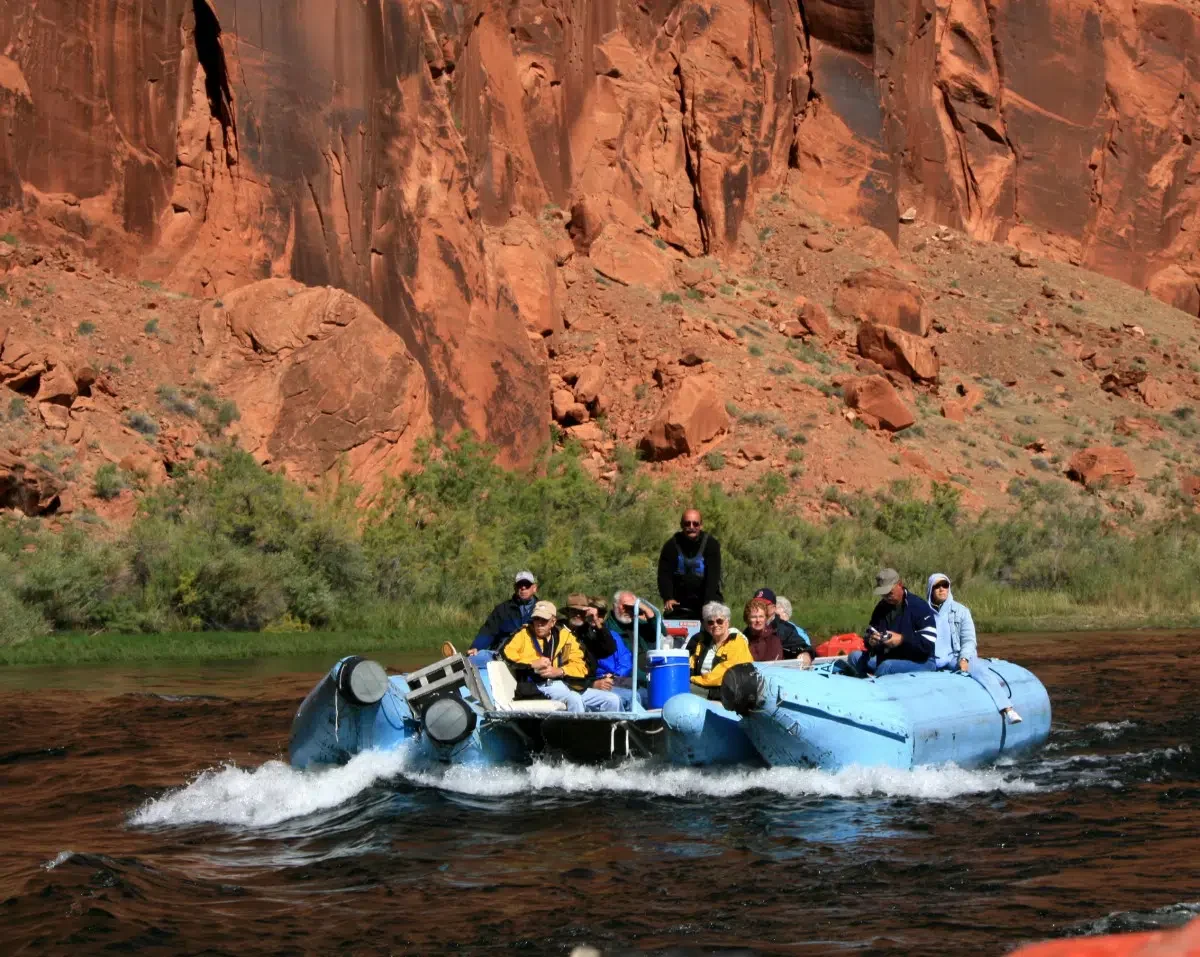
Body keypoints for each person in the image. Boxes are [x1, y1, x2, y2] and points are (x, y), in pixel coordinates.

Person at [926, 573, 1022, 724]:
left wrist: (964, 659)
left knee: (981, 670)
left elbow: (969, 640)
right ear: (930, 590)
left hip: (956, 656)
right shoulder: (923, 612)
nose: (941, 589)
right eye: (937, 586)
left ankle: (1008, 709)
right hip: (933, 658)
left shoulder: (961, 611)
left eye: (944, 585)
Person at [501, 601, 621, 713]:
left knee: (612, 699)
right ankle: (578, 734)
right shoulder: (523, 634)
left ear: (553, 621)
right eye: (536, 619)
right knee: (574, 699)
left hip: (566, 683)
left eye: (544, 619)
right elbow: (506, 654)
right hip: (536, 686)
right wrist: (532, 663)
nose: (539, 623)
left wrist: (560, 671)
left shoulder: (565, 635)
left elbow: (581, 664)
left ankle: (609, 734)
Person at [843, 568, 938, 677]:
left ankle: (872, 687)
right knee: (854, 657)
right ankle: (863, 681)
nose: (886, 597)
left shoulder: (919, 606)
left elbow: (928, 644)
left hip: (922, 661)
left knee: (887, 666)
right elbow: (870, 632)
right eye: (883, 594)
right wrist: (871, 641)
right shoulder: (880, 608)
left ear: (900, 585)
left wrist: (902, 639)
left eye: (889, 593)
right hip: (890, 657)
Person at [657, 509, 722, 619]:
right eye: (687, 523)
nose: (691, 527)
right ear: (681, 525)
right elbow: (664, 575)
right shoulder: (671, 546)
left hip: (707, 598)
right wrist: (668, 597)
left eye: (695, 523)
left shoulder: (711, 545)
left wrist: (707, 604)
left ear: (701, 525)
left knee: (716, 623)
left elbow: (713, 577)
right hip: (679, 602)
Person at [603, 590, 660, 709]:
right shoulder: (609, 629)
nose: (629, 610)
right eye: (625, 606)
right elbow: (623, 665)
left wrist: (648, 611)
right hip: (626, 678)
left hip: (643, 676)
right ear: (614, 606)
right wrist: (648, 677)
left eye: (632, 607)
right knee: (650, 695)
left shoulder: (636, 623)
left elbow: (659, 632)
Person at [469, 571, 539, 663]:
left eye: (527, 585)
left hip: (531, 656)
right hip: (502, 656)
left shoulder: (542, 610)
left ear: (534, 588)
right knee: (471, 659)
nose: (523, 587)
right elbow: (488, 631)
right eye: (520, 585)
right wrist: (476, 647)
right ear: (515, 588)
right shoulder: (502, 610)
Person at [687, 601, 754, 697]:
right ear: (705, 626)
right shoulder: (703, 643)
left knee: (682, 690)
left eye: (719, 621)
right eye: (710, 622)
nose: (715, 625)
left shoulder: (737, 642)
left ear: (727, 622)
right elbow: (691, 663)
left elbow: (724, 674)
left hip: (726, 691)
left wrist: (694, 680)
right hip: (702, 686)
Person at [752, 588, 814, 664]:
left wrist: (806, 654)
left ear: (773, 608)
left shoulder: (786, 630)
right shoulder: (748, 631)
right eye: (756, 605)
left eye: (763, 605)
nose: (759, 608)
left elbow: (806, 648)